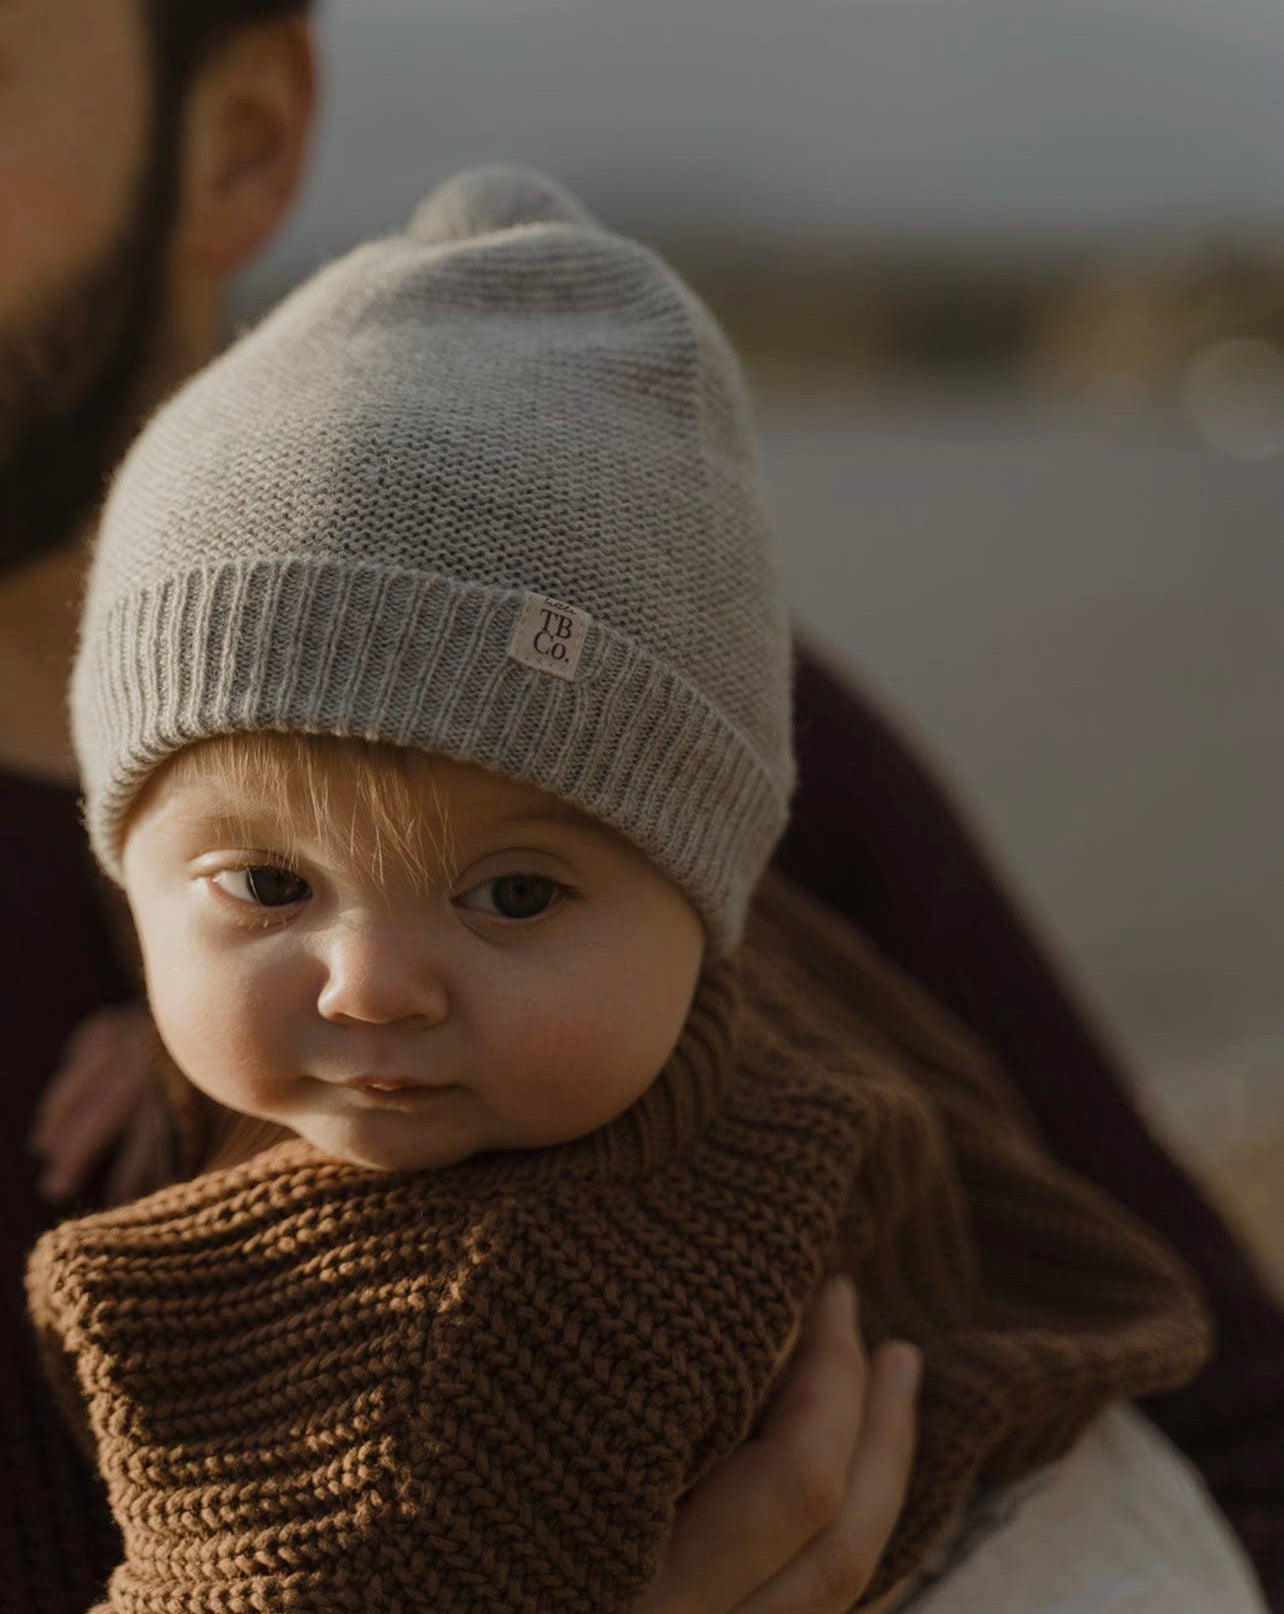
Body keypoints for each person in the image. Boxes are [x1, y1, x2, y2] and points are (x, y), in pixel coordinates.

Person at [4, 4, 1282, 1610]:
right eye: (264, 888)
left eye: (520, 896)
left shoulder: (482, 1321)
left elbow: (1246, 1414)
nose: (370, 985)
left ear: (240, 134)